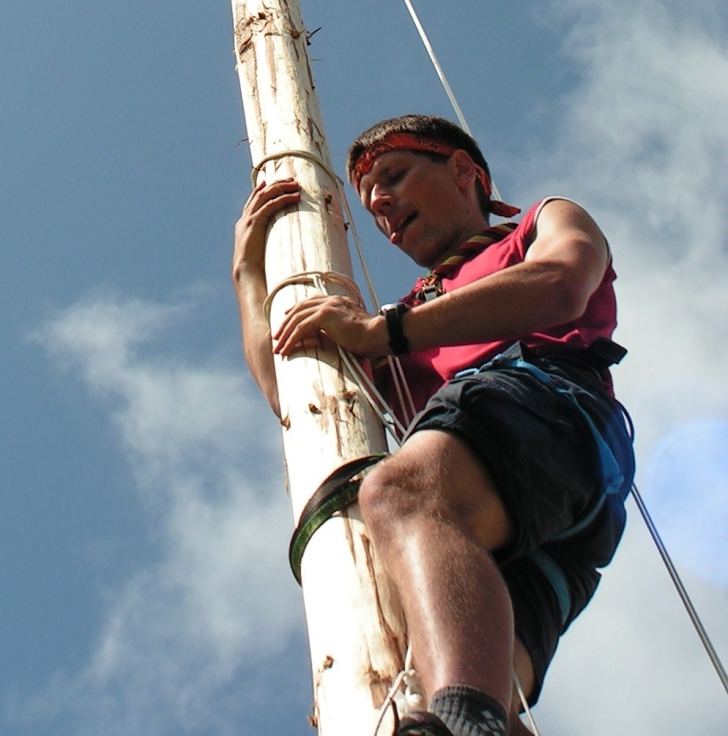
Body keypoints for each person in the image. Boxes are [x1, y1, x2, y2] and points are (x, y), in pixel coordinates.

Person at [232, 114, 633, 736]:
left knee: (400, 492)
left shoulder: (539, 222)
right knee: (472, 681)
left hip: (550, 412)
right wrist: (249, 273)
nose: (383, 206)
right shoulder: (408, 321)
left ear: (464, 170)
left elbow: (561, 285)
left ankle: (462, 721)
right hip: (523, 509)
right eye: (369, 205)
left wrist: (386, 331)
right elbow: (295, 394)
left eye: (394, 177)